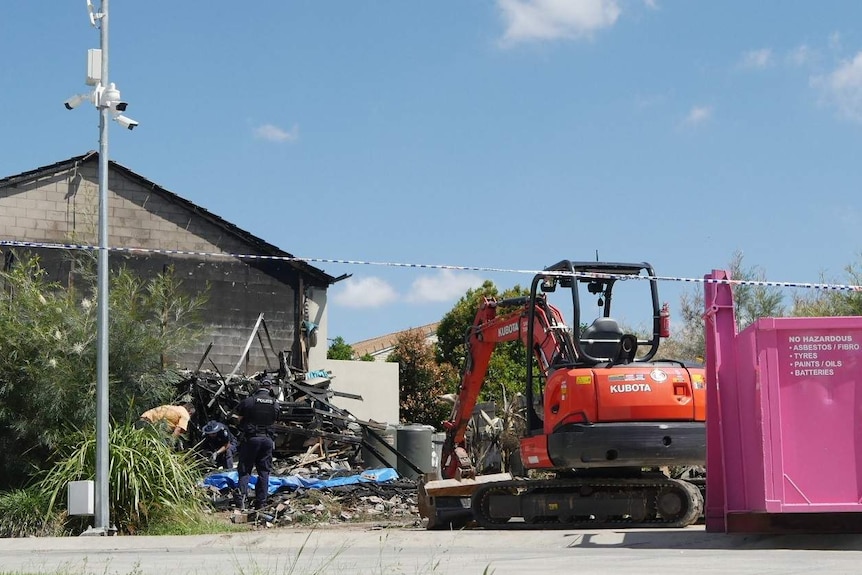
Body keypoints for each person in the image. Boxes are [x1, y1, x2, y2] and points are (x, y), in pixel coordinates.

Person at [234, 377, 280, 510]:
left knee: (245, 470)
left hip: (251, 439)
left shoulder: (249, 401)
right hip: (267, 440)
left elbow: (238, 417)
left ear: (257, 387)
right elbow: (276, 419)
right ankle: (261, 502)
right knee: (264, 471)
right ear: (270, 388)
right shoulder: (274, 403)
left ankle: (241, 500)